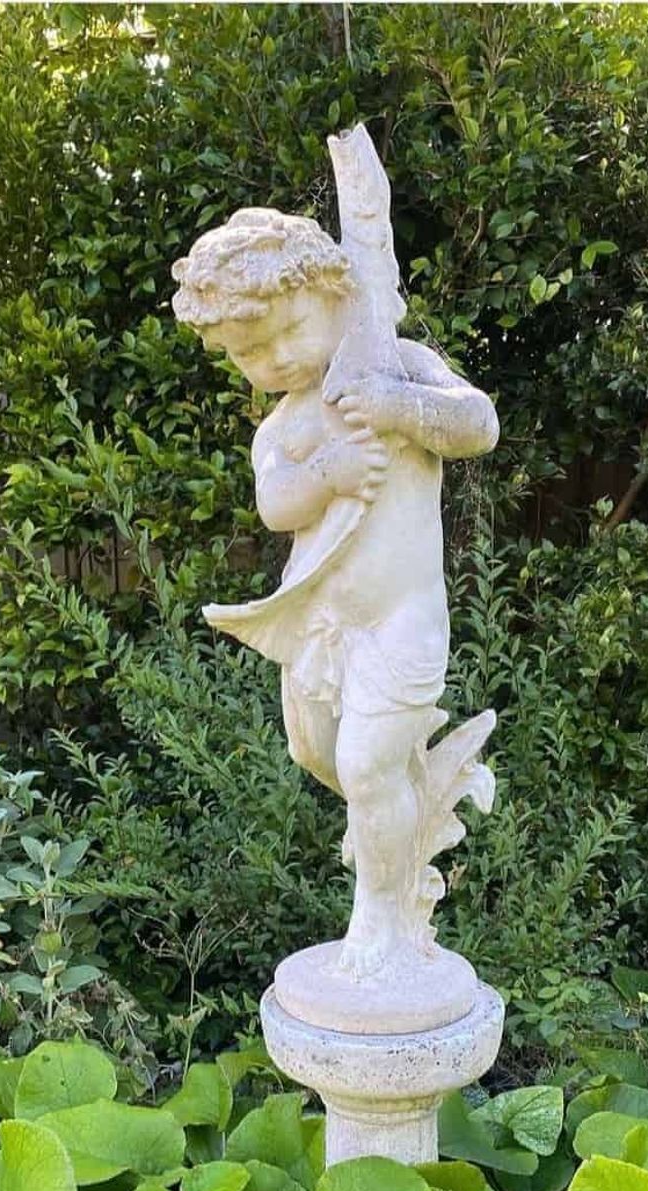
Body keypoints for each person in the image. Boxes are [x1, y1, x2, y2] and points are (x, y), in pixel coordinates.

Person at [172, 206, 499, 977]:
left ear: (335, 292)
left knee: (363, 762)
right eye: (251, 352)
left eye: (291, 331)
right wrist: (329, 472)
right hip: (320, 628)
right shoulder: (280, 426)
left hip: (400, 620)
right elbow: (275, 502)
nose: (277, 359)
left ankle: (380, 920)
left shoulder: (398, 364)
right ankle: (391, 817)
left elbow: (478, 422)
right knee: (314, 749)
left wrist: (401, 411)